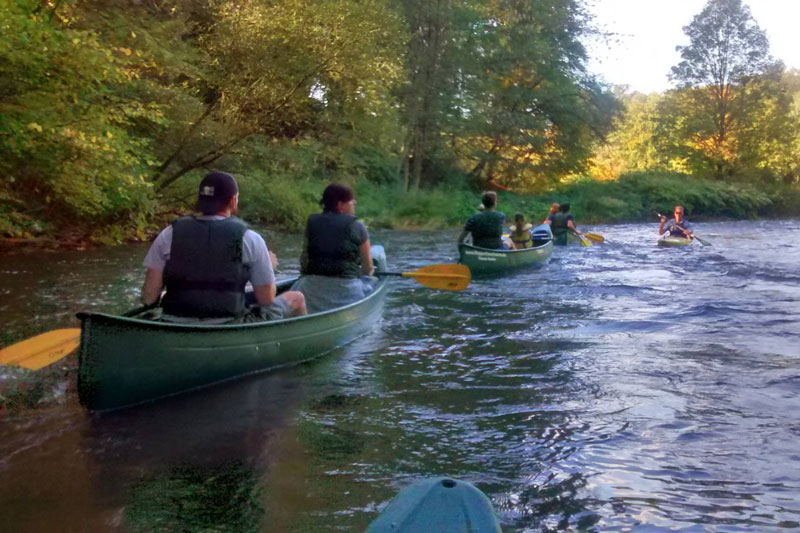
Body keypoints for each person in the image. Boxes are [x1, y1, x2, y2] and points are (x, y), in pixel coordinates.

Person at [141, 171, 306, 323]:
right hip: (229, 325)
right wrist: (270, 266)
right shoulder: (250, 238)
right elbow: (266, 299)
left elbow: (149, 297)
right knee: (296, 298)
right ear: (233, 201)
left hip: (173, 325)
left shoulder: (168, 234)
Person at [291, 183, 376, 314]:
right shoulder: (357, 226)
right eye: (351, 200)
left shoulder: (312, 222)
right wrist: (367, 275)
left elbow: (304, 260)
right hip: (348, 290)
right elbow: (368, 267)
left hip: (311, 289)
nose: (355, 202)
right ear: (340, 205)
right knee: (373, 280)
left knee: (299, 286)